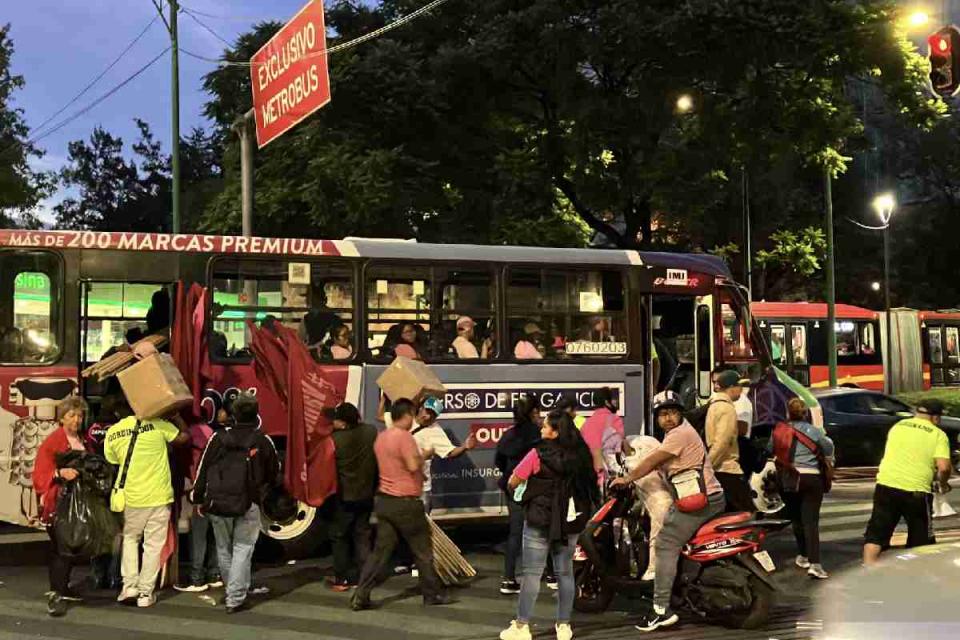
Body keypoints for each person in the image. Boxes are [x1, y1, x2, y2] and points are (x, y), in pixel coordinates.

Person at [611, 391, 725, 633]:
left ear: (680, 414)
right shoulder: (677, 433)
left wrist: (627, 478)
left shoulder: (680, 435)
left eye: (673, 412)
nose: (669, 418)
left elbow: (652, 460)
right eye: (663, 414)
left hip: (701, 500)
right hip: (701, 496)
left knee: (664, 544)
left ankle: (661, 610)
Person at [499, 410, 598, 640]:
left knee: (532, 574)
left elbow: (514, 480)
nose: (541, 430)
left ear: (555, 432)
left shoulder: (537, 454)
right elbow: (590, 487)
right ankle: (564, 626)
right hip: (569, 522)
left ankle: (522, 627)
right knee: (565, 573)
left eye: (545, 427)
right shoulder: (581, 455)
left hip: (539, 520)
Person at [350, 399, 455, 611]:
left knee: (380, 553)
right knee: (422, 551)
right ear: (407, 415)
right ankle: (431, 594)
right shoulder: (404, 437)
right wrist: (424, 454)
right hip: (406, 503)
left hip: (385, 501)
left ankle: (361, 594)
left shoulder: (382, 437)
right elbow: (412, 465)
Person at [192, 392, 280, 613]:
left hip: (218, 501)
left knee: (223, 548)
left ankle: (233, 590)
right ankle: (235, 596)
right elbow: (274, 472)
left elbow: (203, 468)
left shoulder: (218, 437)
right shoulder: (263, 439)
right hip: (249, 501)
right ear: (256, 414)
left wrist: (198, 496)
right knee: (243, 548)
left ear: (234, 413)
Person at [104, 400, 190, 608]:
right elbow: (184, 438)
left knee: (131, 539)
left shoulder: (114, 432)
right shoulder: (159, 424)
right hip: (159, 496)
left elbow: (113, 460)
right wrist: (177, 417)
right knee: (152, 546)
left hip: (132, 497)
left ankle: (129, 587)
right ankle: (145, 593)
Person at [863, 399, 952, 566]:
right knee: (921, 537)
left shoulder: (898, 426)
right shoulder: (938, 434)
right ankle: (917, 575)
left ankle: (867, 570)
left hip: (886, 484)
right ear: (935, 417)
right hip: (916, 490)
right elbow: (944, 467)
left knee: (877, 532)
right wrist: (943, 483)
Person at [34, 397, 90, 617]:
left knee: (70, 546)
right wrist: (59, 473)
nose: (77, 420)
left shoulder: (80, 438)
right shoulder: (53, 441)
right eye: (72, 416)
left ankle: (63, 588)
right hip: (58, 502)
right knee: (61, 549)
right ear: (62, 418)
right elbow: (40, 474)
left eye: (80, 415)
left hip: (74, 502)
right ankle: (56, 594)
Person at [770, 398, 835, 580]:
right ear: (806, 414)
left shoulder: (779, 430)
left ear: (788, 413)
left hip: (788, 478)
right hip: (811, 478)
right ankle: (815, 564)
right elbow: (828, 447)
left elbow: (770, 448)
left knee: (796, 519)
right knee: (810, 522)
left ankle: (803, 556)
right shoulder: (814, 431)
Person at [326, 402, 378, 592]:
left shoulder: (334, 440)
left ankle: (342, 579)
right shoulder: (371, 432)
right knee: (362, 535)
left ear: (344, 423)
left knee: (339, 536)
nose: (333, 422)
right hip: (366, 494)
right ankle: (365, 577)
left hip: (344, 497)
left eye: (336, 419)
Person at [495, 395, 542, 596]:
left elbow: (499, 461)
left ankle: (508, 578)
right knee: (543, 528)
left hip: (511, 486)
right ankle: (551, 575)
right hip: (533, 486)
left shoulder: (508, 436)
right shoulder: (538, 436)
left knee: (515, 532)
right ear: (533, 413)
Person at [174, 417, 222, 593]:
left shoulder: (190, 435)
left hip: (198, 488)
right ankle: (214, 573)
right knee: (214, 534)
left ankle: (197, 577)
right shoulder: (213, 434)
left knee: (199, 535)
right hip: (217, 490)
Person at [412, 397, 477, 513]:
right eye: (427, 411)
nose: (428, 416)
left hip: (421, 488)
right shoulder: (406, 419)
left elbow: (450, 452)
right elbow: (382, 416)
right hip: (400, 485)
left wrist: (465, 447)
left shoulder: (435, 431)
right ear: (421, 408)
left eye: (433, 415)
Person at [705, 370, 754, 512]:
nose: (741, 390)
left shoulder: (714, 405)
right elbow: (722, 442)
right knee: (745, 514)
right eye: (739, 386)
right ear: (731, 387)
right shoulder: (726, 409)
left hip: (720, 469)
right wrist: (709, 466)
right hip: (727, 470)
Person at [578, 387, 625, 476]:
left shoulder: (586, 424)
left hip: (591, 476)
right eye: (613, 400)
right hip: (610, 476)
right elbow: (619, 448)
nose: (616, 402)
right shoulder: (615, 420)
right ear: (607, 402)